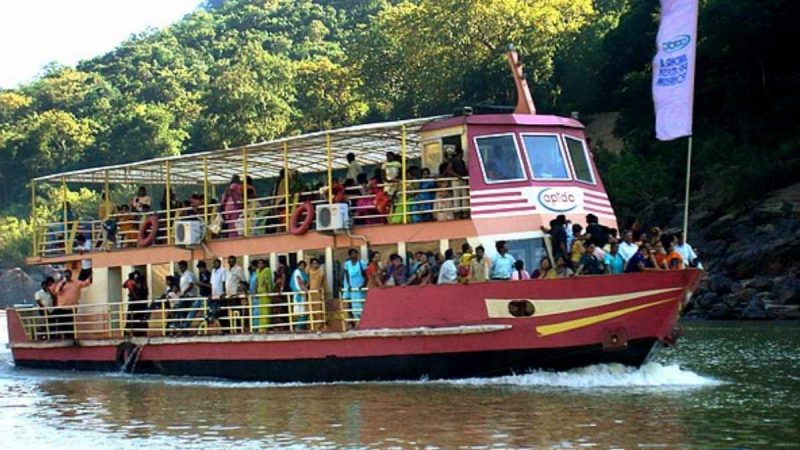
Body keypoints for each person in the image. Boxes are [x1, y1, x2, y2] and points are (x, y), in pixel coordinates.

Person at [52, 269, 91, 339]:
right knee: (63, 324)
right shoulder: (60, 284)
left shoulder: (76, 283)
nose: (67, 276)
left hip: (71, 308)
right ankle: (63, 337)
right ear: (64, 275)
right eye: (66, 275)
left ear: (71, 275)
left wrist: (92, 275)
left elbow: (86, 283)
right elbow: (57, 292)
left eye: (68, 274)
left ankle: (71, 338)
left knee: (70, 324)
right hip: (62, 308)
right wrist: (62, 285)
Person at [342, 249, 367, 320]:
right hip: (352, 287)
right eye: (352, 254)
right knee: (354, 303)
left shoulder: (361, 263)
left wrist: (364, 285)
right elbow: (347, 275)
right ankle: (356, 320)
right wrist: (349, 285)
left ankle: (363, 319)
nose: (354, 255)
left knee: (362, 302)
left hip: (360, 286)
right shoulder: (347, 264)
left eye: (355, 253)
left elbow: (366, 275)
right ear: (349, 255)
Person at [290, 261, 310, 330]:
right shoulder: (297, 272)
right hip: (298, 294)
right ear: (298, 266)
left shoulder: (304, 273)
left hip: (303, 294)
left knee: (304, 310)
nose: (302, 267)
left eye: (303, 265)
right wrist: (305, 289)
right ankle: (298, 327)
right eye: (300, 265)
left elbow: (307, 282)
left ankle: (301, 326)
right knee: (299, 310)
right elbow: (299, 282)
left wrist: (305, 288)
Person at [254, 259, 273, 330]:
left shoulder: (267, 270)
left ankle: (265, 327)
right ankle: (261, 327)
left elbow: (267, 281)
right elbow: (257, 281)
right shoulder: (257, 271)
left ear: (265, 264)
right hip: (260, 293)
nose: (260, 265)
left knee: (266, 311)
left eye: (262, 263)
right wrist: (255, 291)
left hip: (265, 293)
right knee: (261, 311)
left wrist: (268, 291)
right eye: (259, 263)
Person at [307, 258, 326, 330]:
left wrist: (321, 289)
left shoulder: (321, 272)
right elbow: (308, 281)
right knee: (312, 309)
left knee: (318, 308)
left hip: (317, 292)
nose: (315, 265)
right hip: (311, 292)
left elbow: (323, 282)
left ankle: (319, 325)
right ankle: (314, 325)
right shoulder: (309, 271)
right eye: (313, 263)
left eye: (316, 263)